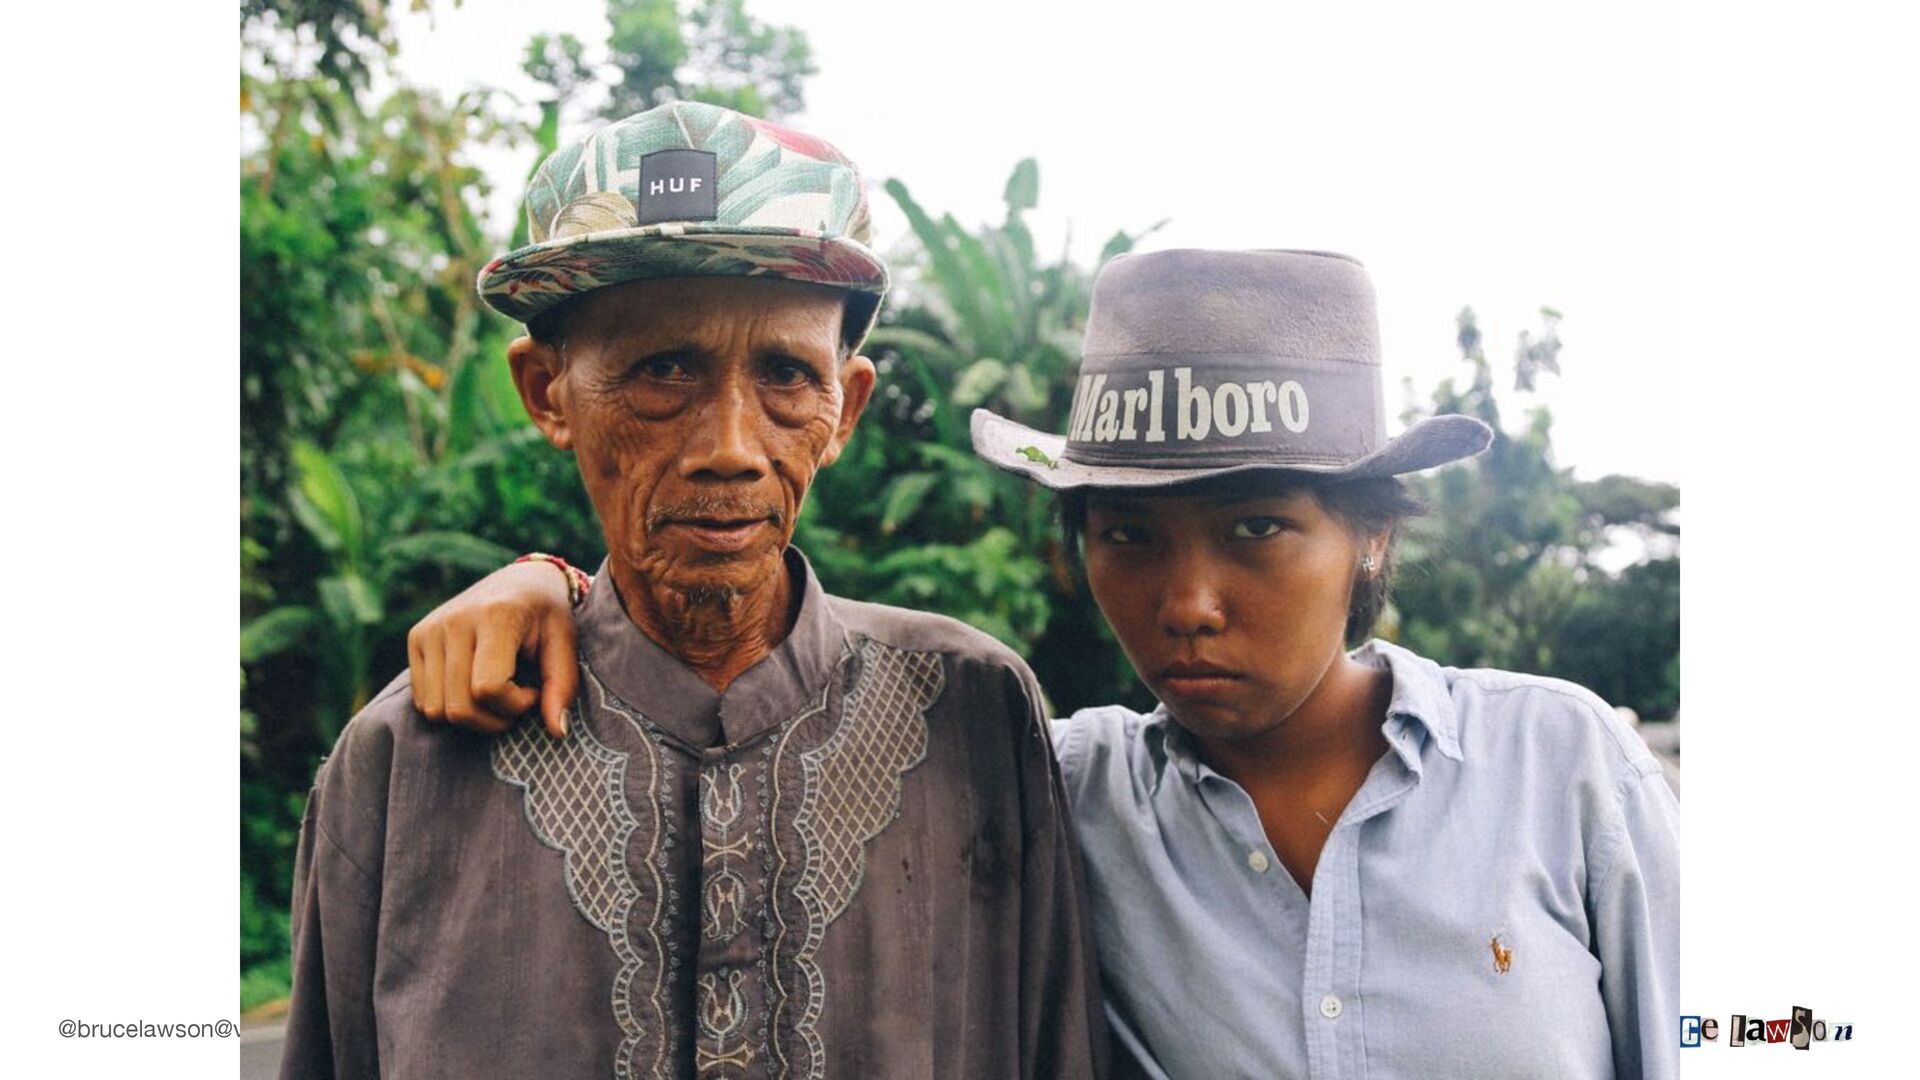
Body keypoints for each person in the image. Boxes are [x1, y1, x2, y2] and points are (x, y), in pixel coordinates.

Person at [413, 249, 1679, 1078]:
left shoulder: (1556, 765)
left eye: (1257, 531)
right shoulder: (1054, 788)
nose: (1187, 603)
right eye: (1127, 535)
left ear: (1372, 535)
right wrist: (559, 584)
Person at [279, 100, 1107, 1080]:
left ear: (846, 409)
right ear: (547, 391)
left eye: (786, 375)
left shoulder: (974, 713)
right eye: (664, 370)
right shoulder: (405, 763)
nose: (730, 447)